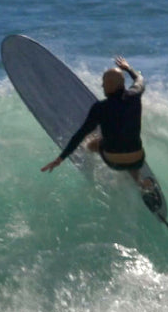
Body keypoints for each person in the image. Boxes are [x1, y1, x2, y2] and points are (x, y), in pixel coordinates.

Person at [41, 56, 161, 208]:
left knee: (91, 142)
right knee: (129, 150)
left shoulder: (99, 108)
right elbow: (140, 79)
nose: (102, 85)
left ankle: (92, 171)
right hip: (137, 157)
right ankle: (143, 184)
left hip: (113, 161)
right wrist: (127, 68)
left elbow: (80, 134)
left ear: (110, 85)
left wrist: (60, 158)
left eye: (104, 83)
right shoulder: (135, 95)